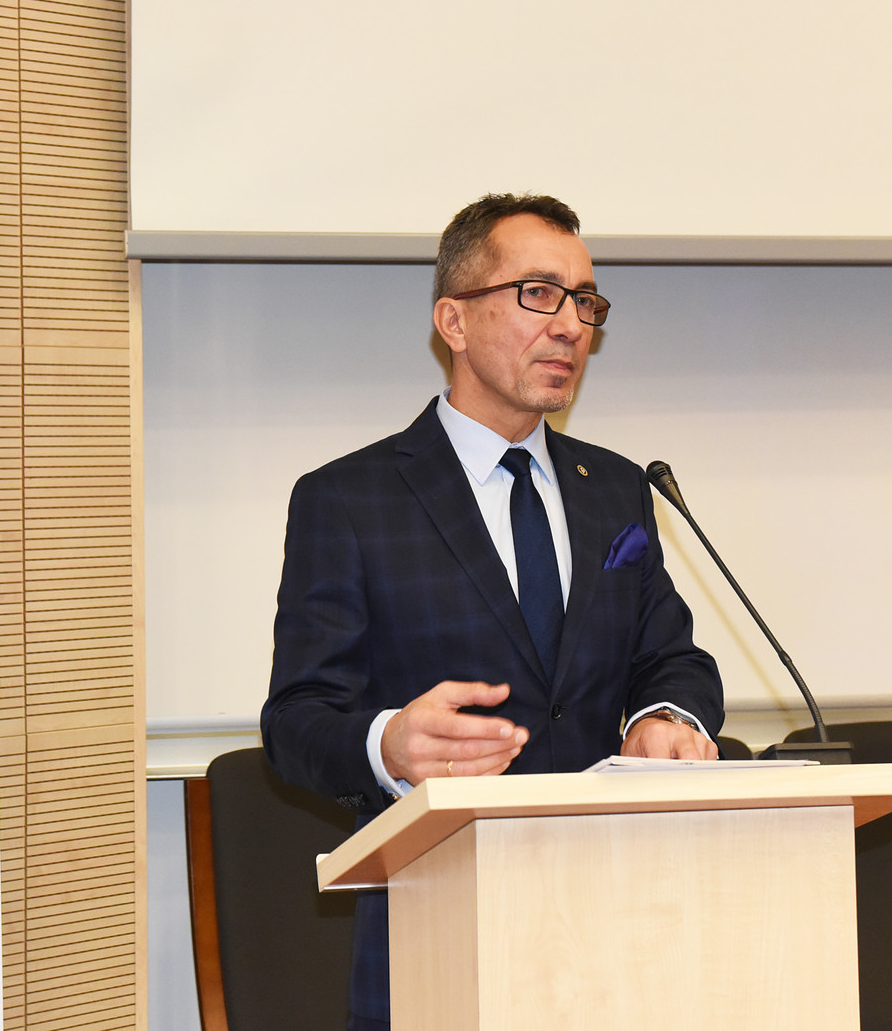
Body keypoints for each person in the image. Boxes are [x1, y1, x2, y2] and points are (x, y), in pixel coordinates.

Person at [260, 193, 723, 1031]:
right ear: (455, 321)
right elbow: (296, 720)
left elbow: (672, 658)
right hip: (441, 926)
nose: (572, 326)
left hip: (619, 924)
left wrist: (665, 714)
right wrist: (388, 743)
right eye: (539, 294)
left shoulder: (617, 489)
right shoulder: (350, 499)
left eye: (586, 302)